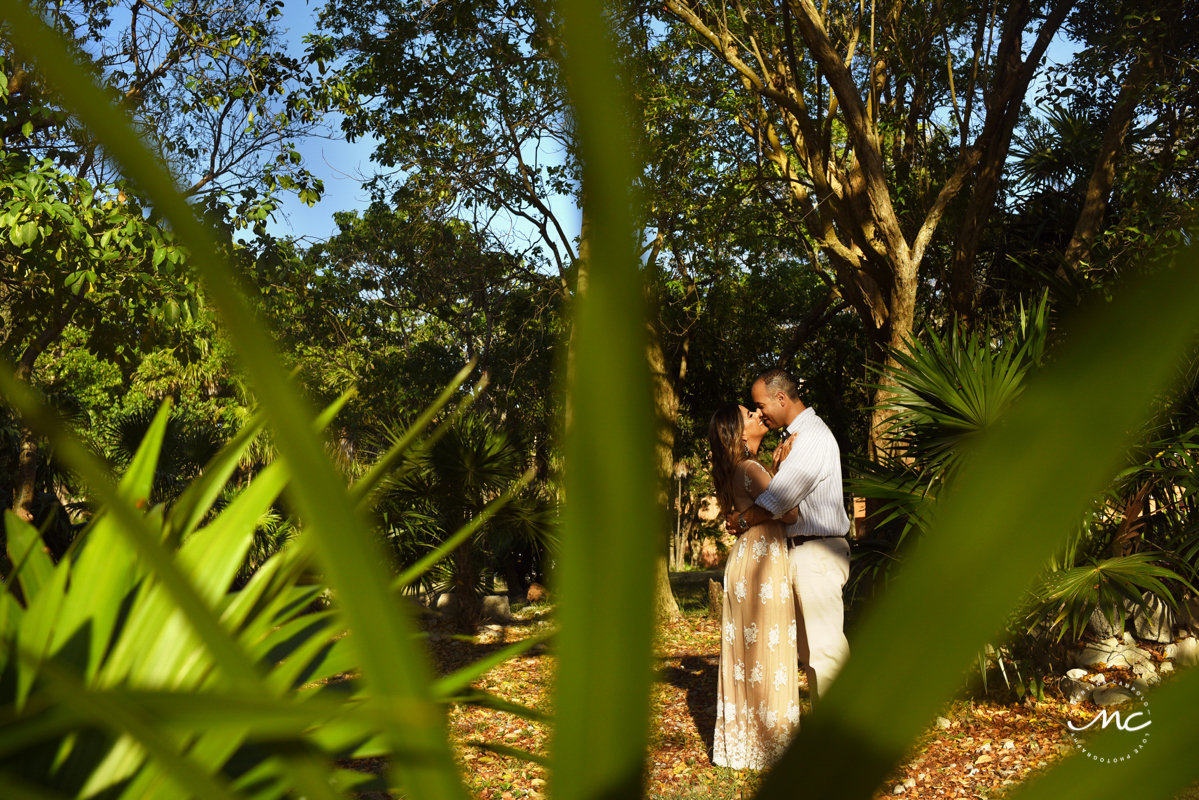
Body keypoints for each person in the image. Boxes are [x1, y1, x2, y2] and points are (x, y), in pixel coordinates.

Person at [725, 368, 852, 701]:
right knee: (812, 656)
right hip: (800, 553)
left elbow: (779, 500)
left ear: (781, 398)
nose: (760, 413)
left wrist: (741, 521)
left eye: (760, 405)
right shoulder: (793, 437)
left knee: (826, 653)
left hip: (817, 553)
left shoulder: (811, 436)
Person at [708, 403, 800, 770]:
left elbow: (767, 504)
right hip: (761, 563)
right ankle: (772, 746)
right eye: (750, 415)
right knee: (768, 650)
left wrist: (775, 471)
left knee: (750, 656)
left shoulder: (744, 469)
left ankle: (748, 745)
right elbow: (789, 511)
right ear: (740, 434)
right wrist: (781, 474)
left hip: (749, 559)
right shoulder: (750, 468)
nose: (759, 416)